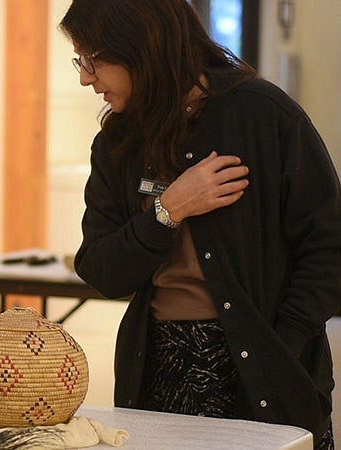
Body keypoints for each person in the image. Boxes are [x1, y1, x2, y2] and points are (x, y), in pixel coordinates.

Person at [59, 1, 341, 448]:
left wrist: (281, 341)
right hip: (159, 363)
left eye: (93, 60)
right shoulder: (117, 143)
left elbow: (328, 247)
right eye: (82, 61)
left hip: (269, 362)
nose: (85, 78)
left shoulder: (267, 116)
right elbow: (101, 268)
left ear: (141, 47)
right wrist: (167, 212)